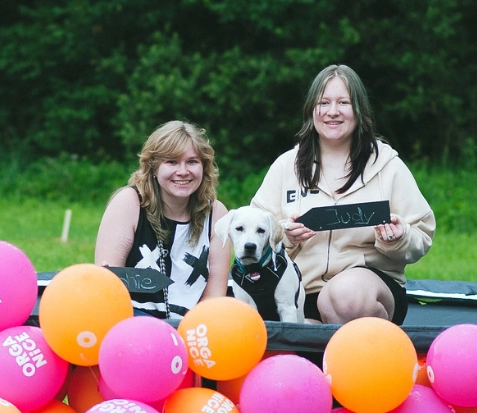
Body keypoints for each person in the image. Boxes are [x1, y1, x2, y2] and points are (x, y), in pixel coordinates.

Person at [252, 65, 435, 325]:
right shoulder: (286, 165)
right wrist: (286, 236)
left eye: (343, 102)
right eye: (323, 102)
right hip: (299, 290)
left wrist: (399, 237)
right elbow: (253, 231)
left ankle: (375, 349)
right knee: (296, 332)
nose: (333, 111)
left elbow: (422, 233)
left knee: (342, 296)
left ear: (359, 110)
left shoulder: (388, 165)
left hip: (366, 288)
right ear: (311, 110)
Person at [95, 120, 231, 315]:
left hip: (192, 327)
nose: (183, 171)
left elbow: (214, 297)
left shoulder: (216, 214)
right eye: (172, 162)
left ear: (204, 166)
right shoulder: (129, 203)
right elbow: (107, 285)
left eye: (192, 161)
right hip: (131, 322)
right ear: (153, 167)